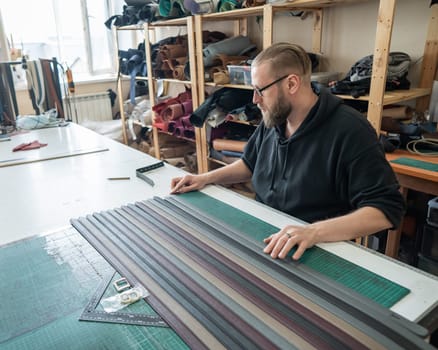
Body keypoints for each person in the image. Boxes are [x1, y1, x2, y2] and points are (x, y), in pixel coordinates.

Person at [170, 42, 405, 261]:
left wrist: (313, 232)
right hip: (267, 232)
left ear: (291, 84)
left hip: (316, 247)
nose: (255, 100)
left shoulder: (350, 130)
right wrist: (205, 178)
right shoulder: (275, 119)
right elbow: (250, 163)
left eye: (260, 90)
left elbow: (386, 208)